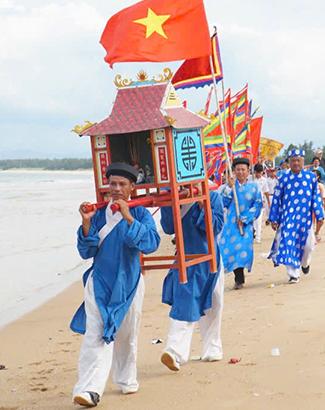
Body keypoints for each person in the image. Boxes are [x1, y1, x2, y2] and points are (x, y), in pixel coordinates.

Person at [71, 163, 161, 407]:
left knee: (127, 335)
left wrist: (129, 216)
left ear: (133, 187)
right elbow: (86, 251)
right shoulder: (98, 214)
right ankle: (89, 389)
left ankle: (126, 380)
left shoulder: (141, 213)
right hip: (99, 283)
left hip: (129, 284)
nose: (117, 189)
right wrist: (86, 222)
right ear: (107, 186)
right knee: (95, 335)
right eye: (113, 184)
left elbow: (152, 244)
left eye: (123, 184)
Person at [159, 189, 225, 372]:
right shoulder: (170, 195)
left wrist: (202, 203)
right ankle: (175, 351)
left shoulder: (212, 196)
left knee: (214, 305)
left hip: (210, 257)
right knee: (185, 303)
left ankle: (212, 348)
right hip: (185, 258)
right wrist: (175, 202)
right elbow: (168, 227)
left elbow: (216, 227)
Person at [268, 149, 325, 284]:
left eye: (298, 160)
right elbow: (276, 199)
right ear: (289, 162)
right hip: (287, 219)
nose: (296, 163)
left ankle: (305, 263)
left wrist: (319, 214)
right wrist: (274, 218)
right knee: (289, 244)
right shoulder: (283, 179)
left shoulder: (310, 178)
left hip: (305, 219)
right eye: (293, 161)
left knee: (309, 246)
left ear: (303, 162)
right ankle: (293, 274)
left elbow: (316, 197)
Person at [219, 157, 263, 290]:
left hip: (246, 225)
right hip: (231, 224)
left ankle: (240, 276)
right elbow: (222, 203)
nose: (240, 172)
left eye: (243, 169)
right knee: (231, 249)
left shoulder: (254, 187)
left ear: (248, 171)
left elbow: (258, 204)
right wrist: (229, 187)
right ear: (234, 171)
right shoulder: (229, 187)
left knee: (243, 249)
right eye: (237, 170)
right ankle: (238, 277)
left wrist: (245, 218)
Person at [250, 164, 270, 243]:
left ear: (262, 172)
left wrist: (268, 202)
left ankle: (258, 237)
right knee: (252, 220)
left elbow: (266, 191)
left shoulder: (264, 180)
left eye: (259, 173)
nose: (258, 174)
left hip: (259, 201)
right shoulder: (250, 179)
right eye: (256, 173)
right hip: (250, 202)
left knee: (258, 219)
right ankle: (253, 233)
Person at [313, 169, 325, 243]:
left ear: (318, 177)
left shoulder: (320, 186)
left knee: (321, 221)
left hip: (319, 205)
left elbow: (324, 196)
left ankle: (316, 232)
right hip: (310, 207)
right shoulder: (307, 185)